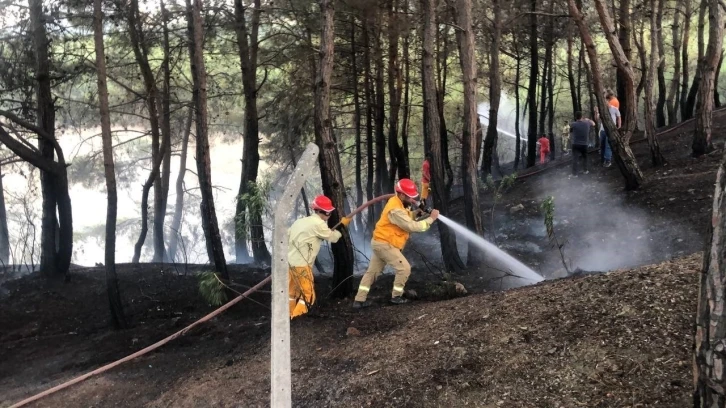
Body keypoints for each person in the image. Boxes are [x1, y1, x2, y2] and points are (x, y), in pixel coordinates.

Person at [353, 179, 439, 308]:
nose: (412, 200)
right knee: (404, 268)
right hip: (385, 244)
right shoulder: (395, 209)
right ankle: (396, 297)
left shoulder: (398, 204)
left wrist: (418, 213)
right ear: (402, 195)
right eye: (410, 197)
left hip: (380, 242)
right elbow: (412, 226)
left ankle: (359, 300)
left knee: (372, 272)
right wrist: (431, 218)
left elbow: (406, 217)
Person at [288, 195, 350, 319]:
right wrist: (342, 226)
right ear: (326, 212)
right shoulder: (318, 224)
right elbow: (333, 237)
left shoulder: (299, 222)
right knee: (308, 295)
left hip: (290, 263)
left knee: (292, 293)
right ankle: (296, 319)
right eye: (330, 213)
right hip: (302, 265)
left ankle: (288, 316)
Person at [570, 111, 596, 176]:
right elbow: (594, 124)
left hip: (575, 144)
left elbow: (570, 131)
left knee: (575, 159)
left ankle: (574, 174)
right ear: (582, 117)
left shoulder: (573, 124)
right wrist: (588, 119)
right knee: (585, 158)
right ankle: (585, 170)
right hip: (584, 144)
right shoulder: (587, 123)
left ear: (576, 117)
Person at [599, 100, 621, 168]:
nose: (605, 104)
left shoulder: (614, 109)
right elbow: (597, 118)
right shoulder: (602, 110)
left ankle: (608, 160)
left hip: (611, 130)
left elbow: (619, 117)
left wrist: (619, 126)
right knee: (602, 145)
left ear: (608, 102)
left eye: (606, 102)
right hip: (602, 130)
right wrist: (596, 111)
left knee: (608, 145)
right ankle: (603, 160)